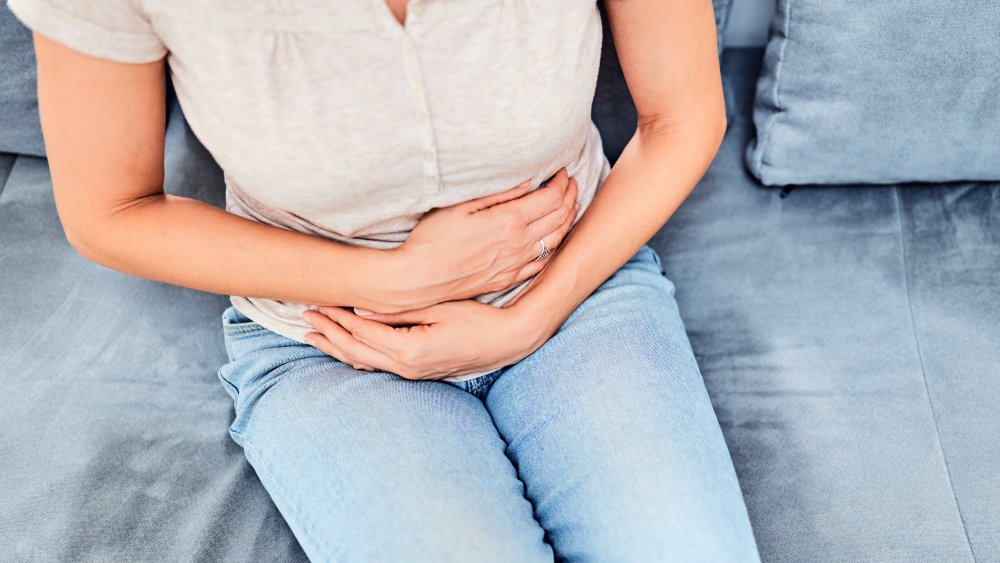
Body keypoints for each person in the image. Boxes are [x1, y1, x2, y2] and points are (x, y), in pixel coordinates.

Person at [11, 0, 760, 560]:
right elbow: (109, 210)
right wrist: (393, 278)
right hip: (328, 342)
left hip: (574, 287)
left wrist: (530, 316)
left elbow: (684, 115)